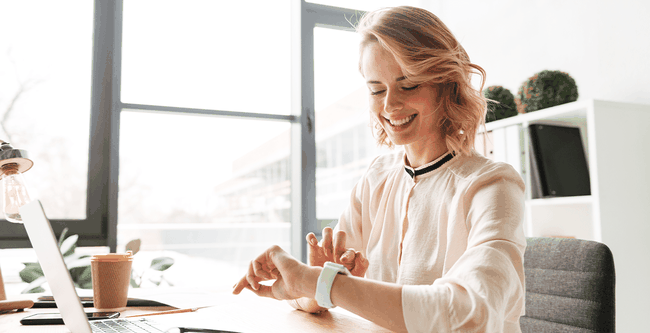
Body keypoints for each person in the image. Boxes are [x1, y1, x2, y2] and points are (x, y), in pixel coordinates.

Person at [233, 5, 526, 333]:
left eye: (409, 85)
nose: (389, 105)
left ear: (446, 84)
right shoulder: (377, 178)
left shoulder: (493, 186)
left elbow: (470, 313)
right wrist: (311, 285)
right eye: (376, 89)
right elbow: (321, 289)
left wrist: (322, 283)